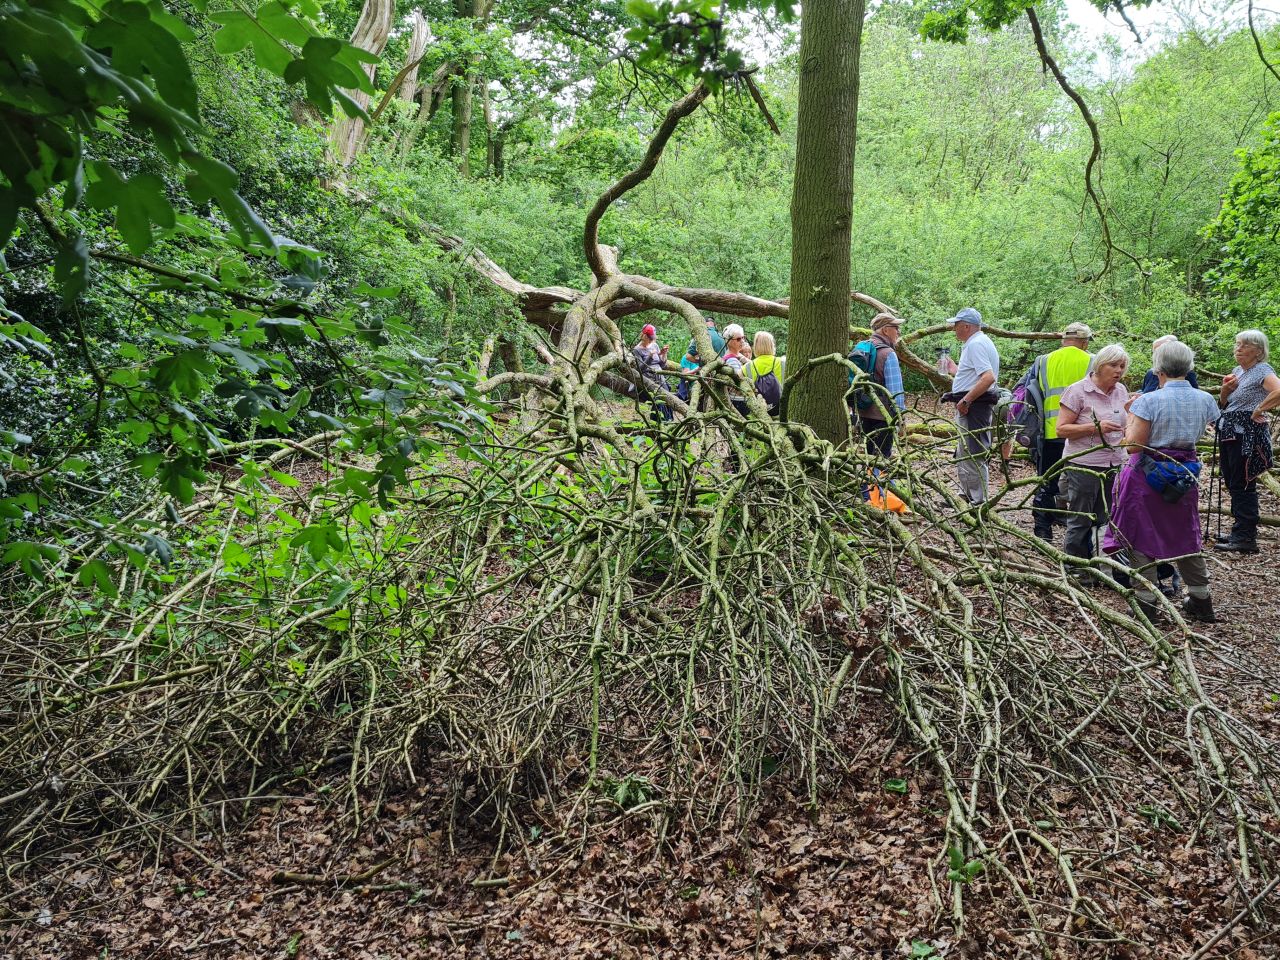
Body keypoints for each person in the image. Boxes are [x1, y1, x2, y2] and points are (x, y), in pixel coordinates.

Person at [1103, 340, 1220, 622]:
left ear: (1158, 369)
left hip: (1147, 477)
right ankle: (1201, 600)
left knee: (1141, 535)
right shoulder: (1205, 399)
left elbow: (1133, 446)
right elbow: (1215, 427)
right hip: (1184, 474)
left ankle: (1146, 604)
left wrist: (1131, 414)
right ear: (1189, 366)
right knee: (1186, 533)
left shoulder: (1148, 401)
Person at [1055, 343, 1130, 568]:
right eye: (1113, 365)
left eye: (1122, 366)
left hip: (1114, 462)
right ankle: (1074, 565)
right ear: (1099, 365)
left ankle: (1100, 565)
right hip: (1083, 462)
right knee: (1080, 517)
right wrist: (1095, 428)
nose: (1119, 370)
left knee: (1104, 518)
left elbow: (1124, 425)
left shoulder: (1121, 391)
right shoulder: (1078, 391)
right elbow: (1061, 429)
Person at [1025, 322, 1094, 540]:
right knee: (1082, 481)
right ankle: (1082, 532)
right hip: (1081, 432)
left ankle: (1042, 529)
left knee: (1047, 480)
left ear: (1063, 340)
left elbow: (1030, 392)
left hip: (1049, 430)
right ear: (1084, 342)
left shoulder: (1043, 361)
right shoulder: (1093, 360)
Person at [1214, 329, 1280, 554]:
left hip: (1247, 435)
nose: (1238, 349)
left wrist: (1259, 408)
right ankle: (1239, 530)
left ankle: (1245, 537)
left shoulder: (1262, 370)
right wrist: (1224, 392)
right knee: (1233, 481)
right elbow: (1226, 404)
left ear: (1258, 351)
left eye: (1244, 345)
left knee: (1243, 483)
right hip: (1230, 432)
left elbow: (1279, 390)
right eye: (1236, 344)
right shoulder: (1237, 372)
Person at [944, 307, 1001, 505]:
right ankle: (966, 495)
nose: (954, 329)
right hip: (973, 405)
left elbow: (988, 378)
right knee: (964, 451)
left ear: (967, 326)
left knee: (973, 451)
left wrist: (966, 400)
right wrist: (955, 371)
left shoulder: (976, 344)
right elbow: (975, 376)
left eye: (957, 325)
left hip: (974, 407)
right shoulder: (977, 342)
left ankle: (978, 501)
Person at [849, 313, 907, 457]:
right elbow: (896, 392)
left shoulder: (861, 348)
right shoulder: (888, 353)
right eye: (896, 327)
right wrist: (901, 417)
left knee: (869, 455)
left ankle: (870, 478)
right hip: (883, 415)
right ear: (886, 330)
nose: (898, 332)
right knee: (882, 456)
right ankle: (878, 479)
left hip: (862, 411)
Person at [632, 323, 672, 421]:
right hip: (648, 378)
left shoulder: (654, 345)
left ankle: (668, 420)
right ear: (644, 336)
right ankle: (657, 422)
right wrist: (649, 357)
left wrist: (663, 354)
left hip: (660, 376)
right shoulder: (637, 350)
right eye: (650, 338)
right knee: (659, 399)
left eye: (652, 338)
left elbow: (662, 364)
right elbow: (639, 369)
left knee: (668, 396)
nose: (651, 341)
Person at [746, 330, 784, 417]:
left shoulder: (747, 367)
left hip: (759, 414)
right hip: (782, 412)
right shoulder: (782, 362)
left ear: (755, 346)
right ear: (772, 345)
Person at [722, 323, 751, 417]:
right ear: (729, 341)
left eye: (743, 337)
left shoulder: (737, 355)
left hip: (740, 400)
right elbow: (739, 382)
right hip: (738, 402)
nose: (742, 341)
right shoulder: (731, 361)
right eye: (738, 339)